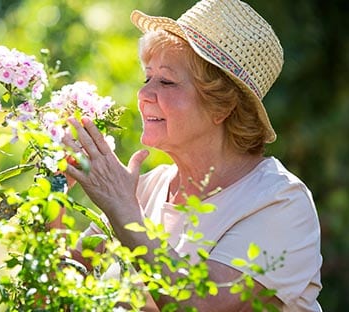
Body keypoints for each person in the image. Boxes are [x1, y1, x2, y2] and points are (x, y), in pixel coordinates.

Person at [56, 0, 323, 311]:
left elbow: (200, 305)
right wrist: (52, 193)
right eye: (147, 78)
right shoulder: (146, 190)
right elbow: (57, 293)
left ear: (222, 105)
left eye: (167, 81)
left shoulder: (280, 203)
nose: (143, 94)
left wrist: (123, 210)